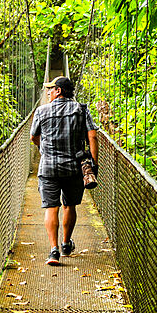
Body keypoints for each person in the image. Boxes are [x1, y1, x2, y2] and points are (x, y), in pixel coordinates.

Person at [30, 75, 98, 266]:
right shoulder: (81, 109)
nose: (48, 92)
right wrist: (94, 164)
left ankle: (53, 251)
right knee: (69, 205)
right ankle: (66, 244)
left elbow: (34, 137)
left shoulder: (41, 111)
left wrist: (44, 149)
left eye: (51, 89)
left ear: (59, 91)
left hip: (48, 167)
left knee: (51, 208)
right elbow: (92, 137)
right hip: (74, 168)